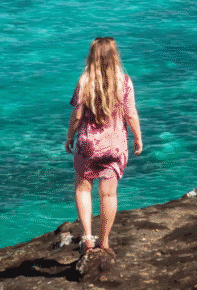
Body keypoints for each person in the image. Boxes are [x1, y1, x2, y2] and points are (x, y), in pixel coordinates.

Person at [65, 37, 143, 260]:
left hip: (88, 145)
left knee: (83, 189)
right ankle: (105, 242)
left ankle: (88, 238)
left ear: (92, 57)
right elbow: (131, 114)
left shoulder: (85, 81)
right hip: (115, 146)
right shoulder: (125, 82)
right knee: (108, 193)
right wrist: (138, 137)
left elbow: (77, 115)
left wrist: (69, 137)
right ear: (114, 56)